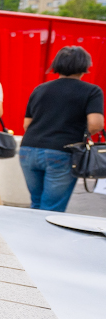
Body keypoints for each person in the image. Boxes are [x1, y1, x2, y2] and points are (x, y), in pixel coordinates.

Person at [18, 46, 105, 212]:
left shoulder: (40, 89)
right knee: (51, 208)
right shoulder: (92, 91)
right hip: (62, 152)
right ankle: (44, 238)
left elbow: (26, 124)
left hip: (28, 150)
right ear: (84, 66)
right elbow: (96, 124)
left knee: (36, 205)